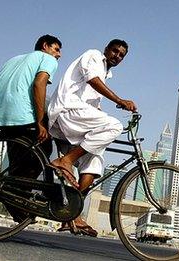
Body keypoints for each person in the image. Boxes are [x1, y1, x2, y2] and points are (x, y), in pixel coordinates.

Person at [48, 39, 136, 236]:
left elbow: (93, 101)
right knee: (114, 125)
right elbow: (92, 80)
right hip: (67, 110)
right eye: (115, 51)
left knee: (95, 159)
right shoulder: (94, 55)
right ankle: (65, 161)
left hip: (77, 119)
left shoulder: (105, 73)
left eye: (122, 55)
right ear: (107, 49)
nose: (117, 56)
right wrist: (120, 100)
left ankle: (71, 212)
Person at [0, 34, 62, 222]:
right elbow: (39, 84)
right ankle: (18, 201)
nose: (59, 55)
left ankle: (14, 200)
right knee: (44, 151)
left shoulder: (13, 59)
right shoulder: (47, 59)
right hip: (22, 115)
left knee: (17, 162)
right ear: (45, 46)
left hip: (0, 114)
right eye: (56, 49)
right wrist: (39, 121)